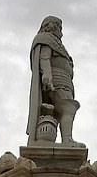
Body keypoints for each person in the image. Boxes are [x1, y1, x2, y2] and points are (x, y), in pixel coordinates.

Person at [26, 16, 82, 146]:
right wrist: (47, 74)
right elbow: (44, 58)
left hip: (65, 80)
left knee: (57, 112)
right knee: (67, 108)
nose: (61, 30)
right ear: (52, 25)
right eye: (59, 27)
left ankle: (51, 140)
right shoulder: (46, 39)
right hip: (57, 78)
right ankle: (67, 139)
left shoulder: (56, 42)